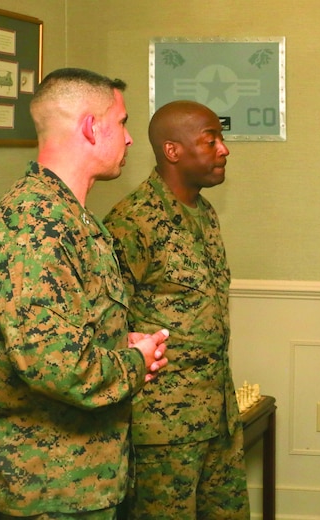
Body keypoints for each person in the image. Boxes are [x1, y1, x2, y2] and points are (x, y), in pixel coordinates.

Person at [0, 67, 169, 519]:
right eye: (124, 122)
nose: (130, 139)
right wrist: (136, 362)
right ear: (93, 127)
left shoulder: (69, 214)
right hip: (44, 489)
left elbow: (69, 328)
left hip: (81, 479)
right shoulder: (37, 221)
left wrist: (117, 346)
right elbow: (55, 365)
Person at [104, 100, 249, 519]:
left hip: (217, 416)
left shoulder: (204, 214)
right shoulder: (132, 222)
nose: (224, 149)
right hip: (163, 432)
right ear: (173, 151)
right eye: (211, 141)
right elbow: (109, 326)